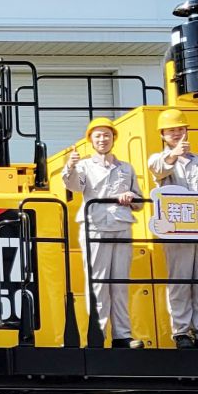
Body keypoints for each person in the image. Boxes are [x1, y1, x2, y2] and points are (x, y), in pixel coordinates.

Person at [61, 117, 143, 348]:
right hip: (95, 227)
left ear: (113, 138)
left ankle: (122, 336)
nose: (102, 139)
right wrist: (70, 166)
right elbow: (74, 186)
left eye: (107, 135)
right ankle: (97, 335)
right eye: (98, 135)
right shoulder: (84, 166)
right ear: (90, 140)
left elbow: (139, 202)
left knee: (119, 283)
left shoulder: (126, 168)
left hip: (121, 226)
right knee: (97, 283)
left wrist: (131, 197)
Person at [145, 107, 198, 348]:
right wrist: (174, 155)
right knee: (180, 282)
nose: (177, 133)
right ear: (162, 135)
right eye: (171, 131)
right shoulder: (158, 159)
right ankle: (181, 332)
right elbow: (159, 170)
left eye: (180, 129)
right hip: (176, 230)